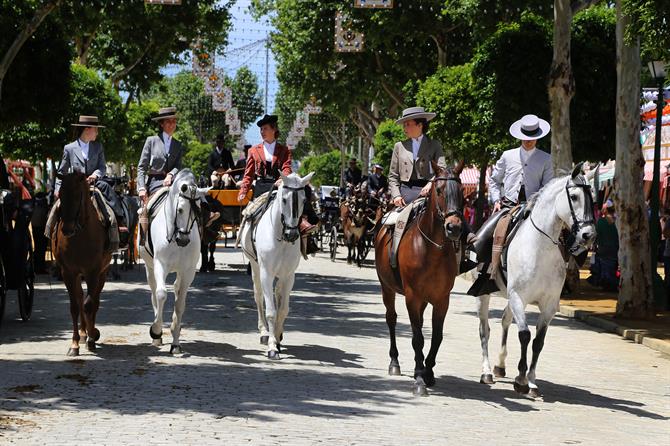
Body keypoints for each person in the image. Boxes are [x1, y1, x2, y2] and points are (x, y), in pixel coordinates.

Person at [468, 114, 553, 294]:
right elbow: (494, 181)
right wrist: (496, 200)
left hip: (534, 208)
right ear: (520, 136)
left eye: (531, 138)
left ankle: (559, 275)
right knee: (485, 235)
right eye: (525, 138)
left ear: (537, 137)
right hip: (507, 206)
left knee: (559, 235)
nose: (528, 141)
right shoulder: (507, 156)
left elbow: (547, 186)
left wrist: (538, 204)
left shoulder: (546, 159)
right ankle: (485, 272)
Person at [237, 114, 319, 242]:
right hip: (262, 187)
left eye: (265, 128)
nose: (262, 132)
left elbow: (287, 167)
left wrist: (283, 178)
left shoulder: (284, 150)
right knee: (250, 214)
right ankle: (246, 239)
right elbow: (248, 175)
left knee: (301, 193)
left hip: (280, 185)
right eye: (261, 129)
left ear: (273, 129)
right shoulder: (253, 150)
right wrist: (243, 191)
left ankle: (304, 225)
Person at [137, 106, 185, 246]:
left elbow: (178, 165)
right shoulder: (151, 141)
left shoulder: (178, 144)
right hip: (155, 181)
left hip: (174, 181)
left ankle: (202, 222)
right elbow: (141, 167)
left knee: (190, 195)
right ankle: (143, 237)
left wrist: (171, 174)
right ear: (161, 124)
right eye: (168, 121)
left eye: (174, 121)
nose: (172, 124)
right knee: (147, 208)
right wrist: (141, 187)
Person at [388, 106, 447, 207]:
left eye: (407, 124)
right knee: (391, 221)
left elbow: (442, 169)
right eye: (404, 125)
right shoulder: (399, 146)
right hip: (405, 192)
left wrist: (430, 184)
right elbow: (393, 176)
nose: (404, 128)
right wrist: (396, 195)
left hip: (429, 190)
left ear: (420, 125)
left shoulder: (435, 145)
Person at [588, 199, 619, 291]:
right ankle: (612, 283)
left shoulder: (601, 221)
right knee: (613, 266)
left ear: (606, 209)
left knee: (604, 266)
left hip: (603, 248)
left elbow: (596, 234)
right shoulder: (617, 221)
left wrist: (594, 245)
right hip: (615, 248)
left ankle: (605, 283)